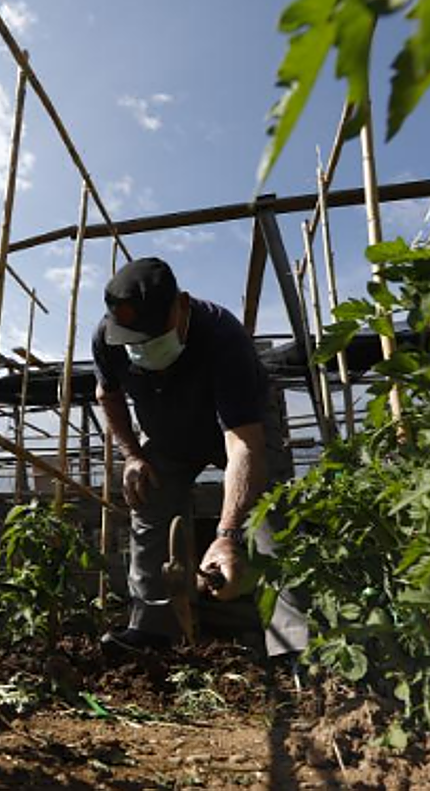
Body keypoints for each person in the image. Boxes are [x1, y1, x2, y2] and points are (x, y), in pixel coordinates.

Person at [92, 256, 307, 656]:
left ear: (183, 305)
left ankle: (296, 644)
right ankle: (154, 631)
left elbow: (243, 445)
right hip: (169, 433)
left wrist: (226, 536)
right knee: (149, 499)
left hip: (239, 428)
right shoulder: (107, 338)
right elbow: (108, 395)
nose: (141, 348)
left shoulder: (223, 336)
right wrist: (132, 455)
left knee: (271, 512)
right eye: (132, 340)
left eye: (152, 336)